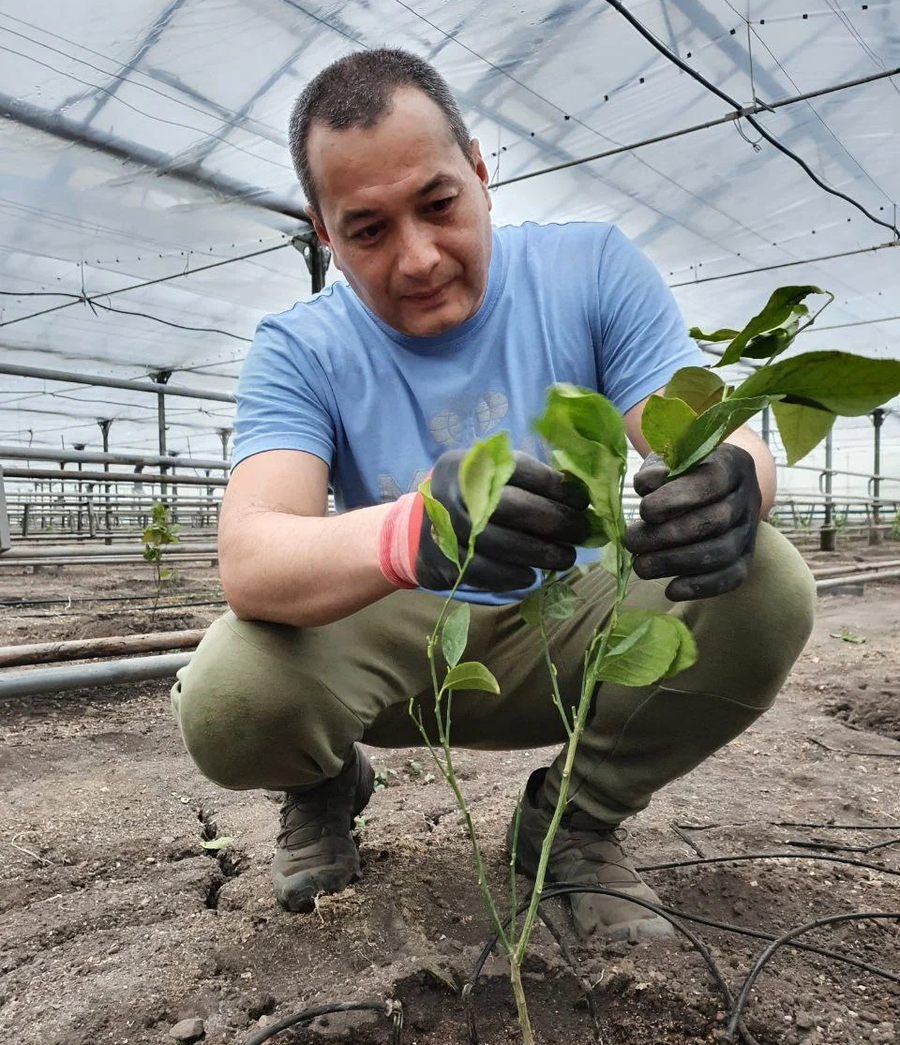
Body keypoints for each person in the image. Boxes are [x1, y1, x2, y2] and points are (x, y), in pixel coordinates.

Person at [172, 48, 816, 943]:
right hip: (409, 635)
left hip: (576, 621)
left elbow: (703, 427)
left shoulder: (588, 271)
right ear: (324, 233)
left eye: (439, 205)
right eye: (368, 231)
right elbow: (251, 556)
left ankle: (572, 824)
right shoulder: (300, 347)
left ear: (480, 171)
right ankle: (325, 785)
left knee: (767, 582)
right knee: (231, 696)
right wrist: (417, 531)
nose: (419, 257)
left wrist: (742, 476)